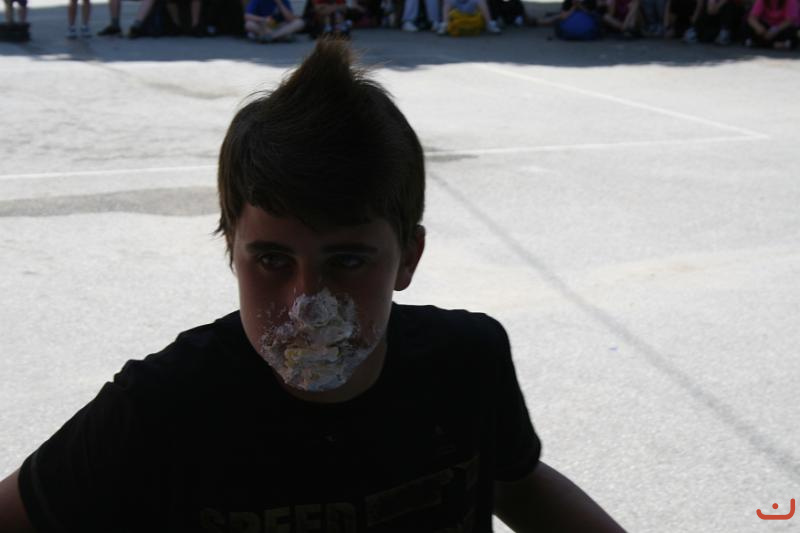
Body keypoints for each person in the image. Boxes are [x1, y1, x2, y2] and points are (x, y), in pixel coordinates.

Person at [0, 39, 626, 533]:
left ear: (407, 258)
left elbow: (516, 483)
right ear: (232, 250)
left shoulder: (468, 362)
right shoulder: (161, 410)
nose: (308, 305)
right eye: (273, 259)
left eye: (347, 260)